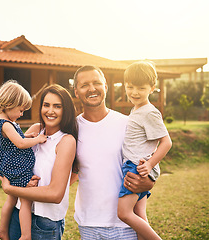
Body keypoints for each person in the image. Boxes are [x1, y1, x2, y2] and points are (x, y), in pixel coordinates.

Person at [73, 65, 155, 240]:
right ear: (76, 92)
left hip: (125, 224)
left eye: (97, 83)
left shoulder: (128, 123)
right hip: (88, 223)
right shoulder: (71, 129)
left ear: (106, 86)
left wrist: (148, 182)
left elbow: (150, 164)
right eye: (84, 85)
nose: (92, 88)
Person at [0, 84, 78, 240]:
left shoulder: (66, 141)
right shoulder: (35, 130)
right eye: (46, 105)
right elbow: (9, 162)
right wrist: (14, 181)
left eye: (57, 106)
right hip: (18, 214)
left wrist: (10, 188)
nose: (50, 111)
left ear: (66, 110)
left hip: (44, 223)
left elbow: (55, 194)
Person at [117, 61, 172, 240]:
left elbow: (166, 142)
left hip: (137, 167)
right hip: (135, 165)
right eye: (130, 87)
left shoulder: (149, 112)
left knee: (124, 213)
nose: (134, 92)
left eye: (141, 88)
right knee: (139, 215)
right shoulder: (136, 110)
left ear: (152, 88)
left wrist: (149, 165)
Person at [0, 80, 47, 240]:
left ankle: (2, 230)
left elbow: (18, 138)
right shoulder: (6, 124)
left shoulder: (7, 122)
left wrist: (28, 135)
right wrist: (38, 139)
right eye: (21, 110)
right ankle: (25, 235)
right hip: (15, 167)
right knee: (26, 200)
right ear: (9, 104)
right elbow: (21, 144)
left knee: (12, 198)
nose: (22, 114)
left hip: (10, 164)